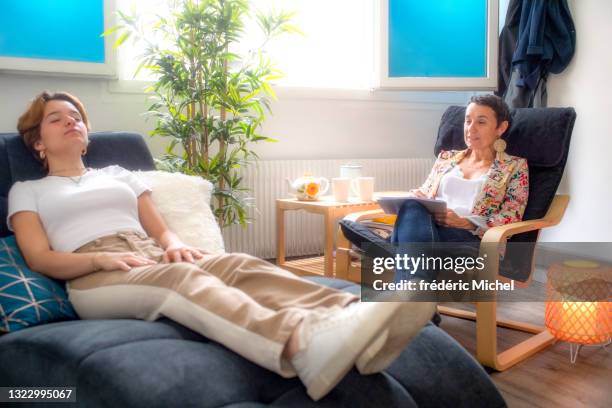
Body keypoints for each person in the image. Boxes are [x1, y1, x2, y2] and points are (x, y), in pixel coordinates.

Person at [7, 91, 435, 401]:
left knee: (234, 264)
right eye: (57, 118)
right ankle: (299, 346)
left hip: (148, 252)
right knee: (182, 279)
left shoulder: (118, 173)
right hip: (94, 274)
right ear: (38, 141)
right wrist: (101, 257)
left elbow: (160, 229)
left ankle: (354, 320)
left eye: (76, 116)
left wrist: (176, 244)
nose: (72, 122)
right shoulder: (29, 190)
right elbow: (38, 257)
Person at [391, 94, 529, 282]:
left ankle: (410, 289)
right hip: (429, 228)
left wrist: (466, 222)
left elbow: (512, 215)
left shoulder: (514, 166)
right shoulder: (446, 158)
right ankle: (415, 300)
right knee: (412, 207)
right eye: (467, 121)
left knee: (409, 239)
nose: (471, 129)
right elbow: (426, 192)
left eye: (481, 122)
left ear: (501, 128)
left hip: (471, 238)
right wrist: (417, 197)